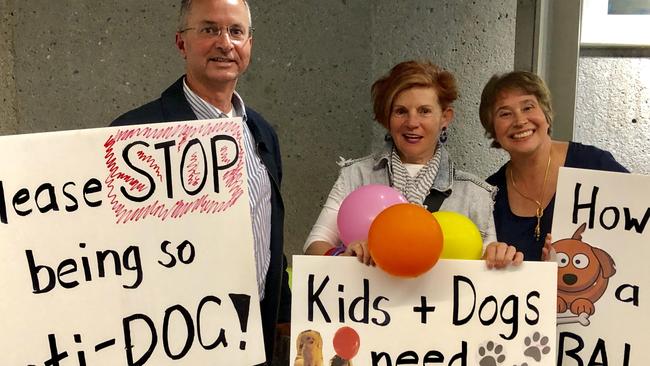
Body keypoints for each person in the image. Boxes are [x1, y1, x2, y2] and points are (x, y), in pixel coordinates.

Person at [110, 0, 290, 363]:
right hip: (171, 344)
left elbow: (267, 233)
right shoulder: (133, 135)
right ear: (181, 43)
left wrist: (285, 316)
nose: (225, 43)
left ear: (249, 45)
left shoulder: (262, 133)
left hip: (252, 337)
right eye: (209, 29)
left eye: (236, 31)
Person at [304, 60, 522, 269]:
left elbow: (485, 264)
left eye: (424, 111)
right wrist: (342, 257)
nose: (412, 123)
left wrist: (497, 255)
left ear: (445, 117)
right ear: (386, 118)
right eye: (400, 111)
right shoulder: (356, 175)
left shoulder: (475, 193)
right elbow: (315, 244)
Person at [479, 71, 629, 261]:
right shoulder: (488, 195)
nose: (520, 121)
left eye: (528, 107)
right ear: (493, 129)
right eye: (505, 114)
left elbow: (638, 232)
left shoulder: (594, 165)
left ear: (546, 113)